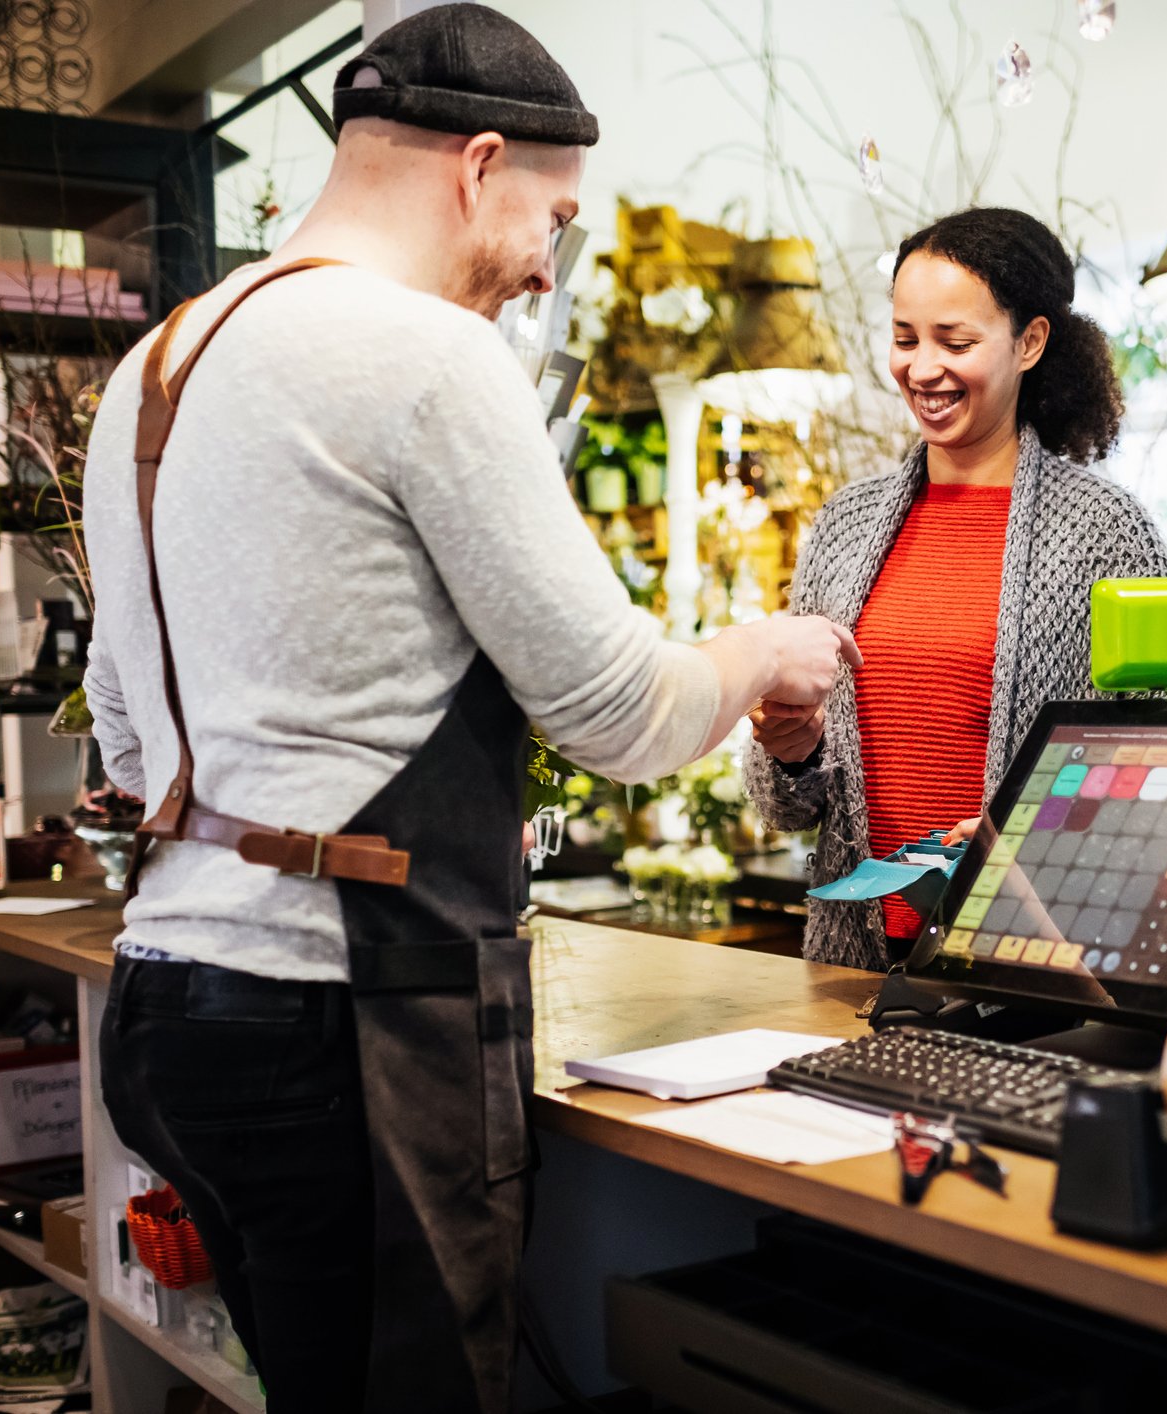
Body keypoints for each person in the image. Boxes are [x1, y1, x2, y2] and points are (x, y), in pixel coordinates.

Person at [81, 8, 856, 1412]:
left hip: (167, 1011)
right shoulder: (429, 359)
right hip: (346, 1026)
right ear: (478, 163)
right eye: (551, 215)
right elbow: (623, 713)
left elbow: (130, 743)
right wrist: (760, 651)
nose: (547, 264)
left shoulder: (159, 364)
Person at [746, 207, 1167, 972]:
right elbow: (789, 808)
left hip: (1037, 972)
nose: (921, 368)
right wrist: (789, 750)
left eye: (956, 341)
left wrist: (1026, 830)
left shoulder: (1103, 532)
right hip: (853, 967)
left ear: (1030, 342)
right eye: (905, 338)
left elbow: (1166, 769)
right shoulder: (845, 527)